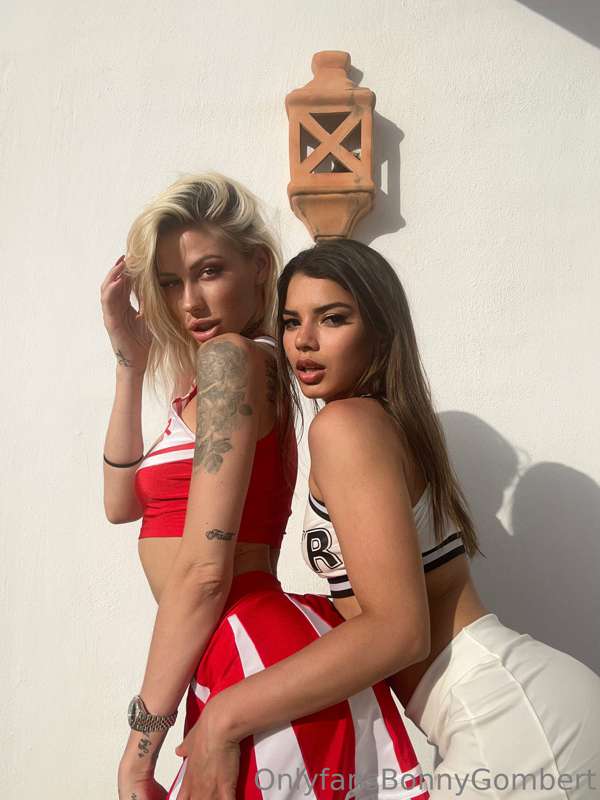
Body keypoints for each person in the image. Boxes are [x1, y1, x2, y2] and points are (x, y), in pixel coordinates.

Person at [100, 176, 429, 800]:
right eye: (169, 282)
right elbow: (121, 505)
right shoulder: (226, 373)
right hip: (224, 648)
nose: (190, 301)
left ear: (257, 267)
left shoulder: (232, 361)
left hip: (245, 641)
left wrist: (140, 749)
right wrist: (130, 362)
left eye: (209, 271)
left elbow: (205, 573)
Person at [267, 238, 599, 799]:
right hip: (504, 708)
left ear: (380, 330)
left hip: (508, 717)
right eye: (291, 321)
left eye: (333, 318)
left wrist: (228, 713)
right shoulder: (385, 425)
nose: (304, 340)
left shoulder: (345, 426)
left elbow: (397, 630)